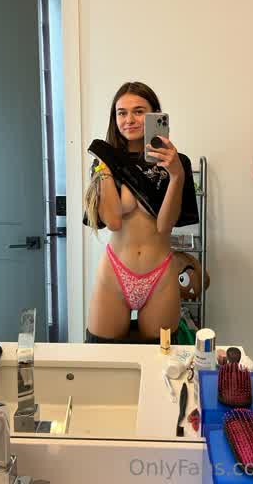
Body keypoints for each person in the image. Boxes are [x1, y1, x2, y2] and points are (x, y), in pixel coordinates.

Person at [83, 82, 199, 343]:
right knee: (103, 354)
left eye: (138, 111)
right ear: (114, 118)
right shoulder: (104, 161)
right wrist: (105, 169)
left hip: (160, 274)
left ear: (154, 114)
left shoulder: (177, 162)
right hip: (114, 272)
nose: (129, 120)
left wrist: (176, 175)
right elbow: (113, 221)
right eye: (121, 113)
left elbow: (165, 226)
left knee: (160, 356)